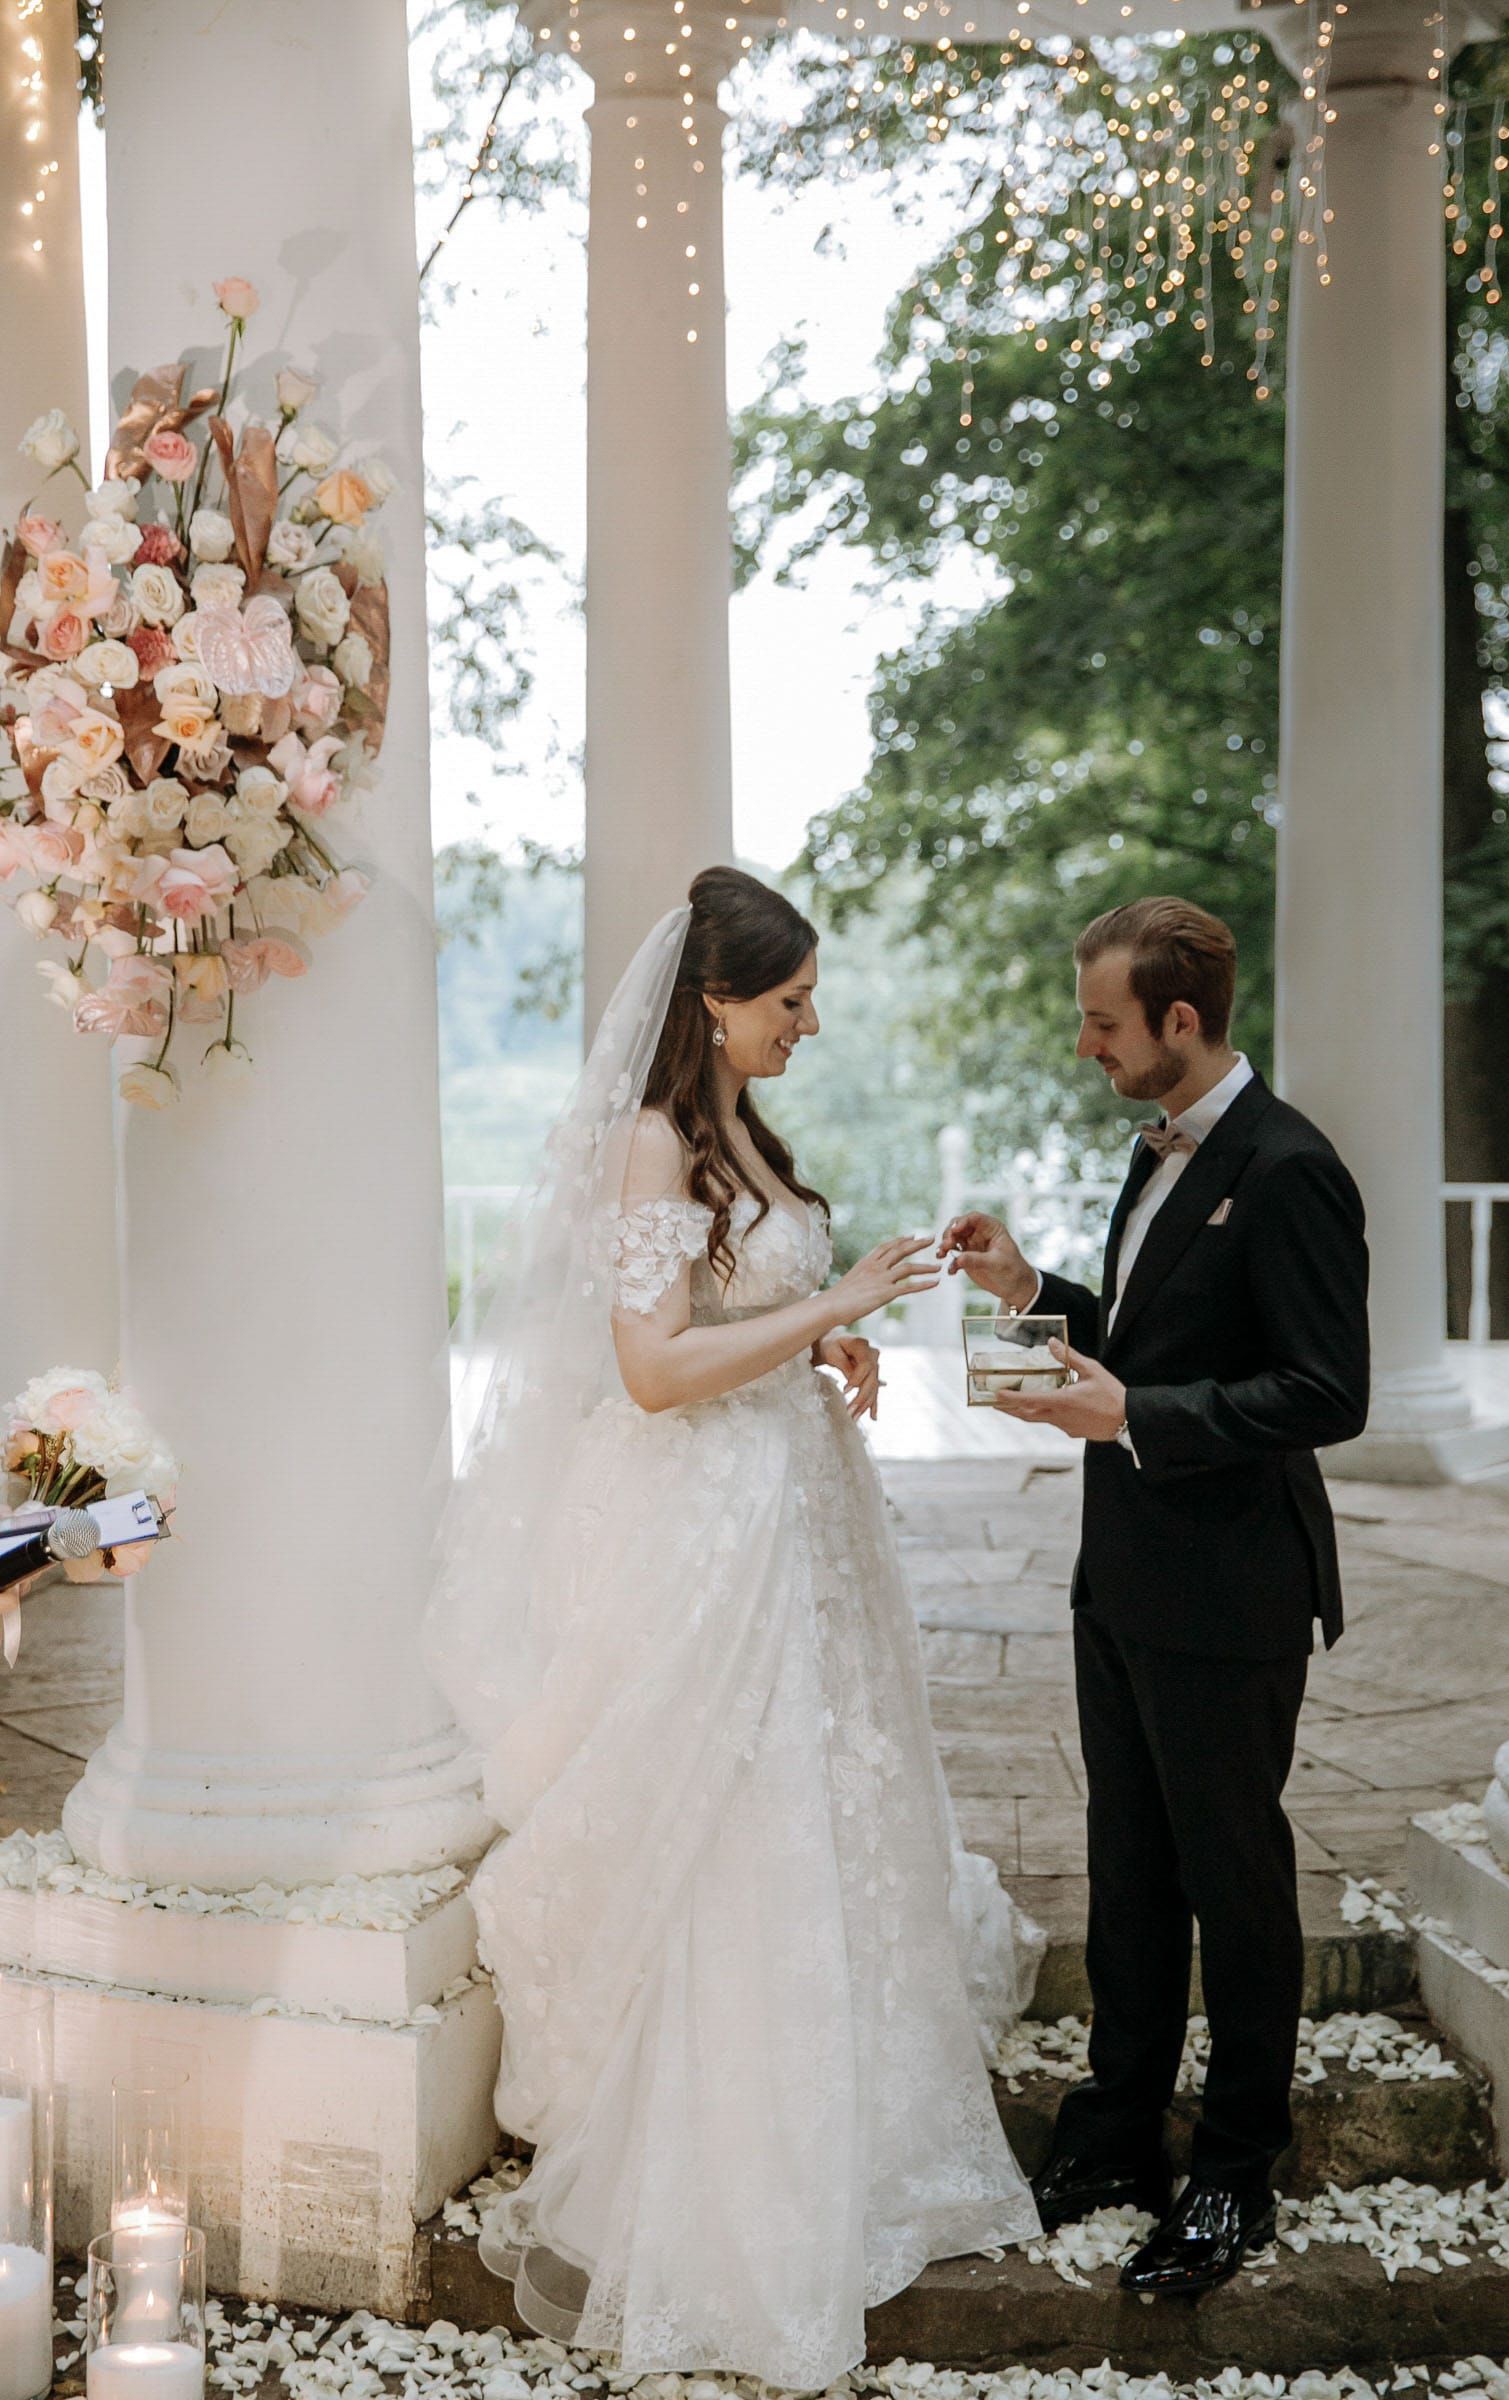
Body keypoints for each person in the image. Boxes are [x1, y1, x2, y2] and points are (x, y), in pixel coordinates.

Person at [422, 866, 1041, 2389]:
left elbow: (736, 1322)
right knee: (732, 1810)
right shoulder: (649, 1144)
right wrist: (830, 1316)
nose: (808, 1024)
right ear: (712, 1002)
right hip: (695, 1532)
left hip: (787, 1509)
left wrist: (828, 1362)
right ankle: (733, 2143)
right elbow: (649, 1368)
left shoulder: (739, 1133)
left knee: (824, 1798)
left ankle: (855, 2111)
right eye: (789, 1001)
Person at [940, 895, 1369, 2300]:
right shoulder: (1159, 1151)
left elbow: (1327, 1391)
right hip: (1120, 1573)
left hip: (1234, 1587)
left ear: (1180, 1023)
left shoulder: (1293, 1166)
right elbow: (1142, 1336)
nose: (1089, 1046)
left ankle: (1239, 2163)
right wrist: (1026, 1291)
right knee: (1128, 1867)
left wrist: (1134, 1413)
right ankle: (1118, 2127)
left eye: (1106, 1023)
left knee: (1233, 1877)